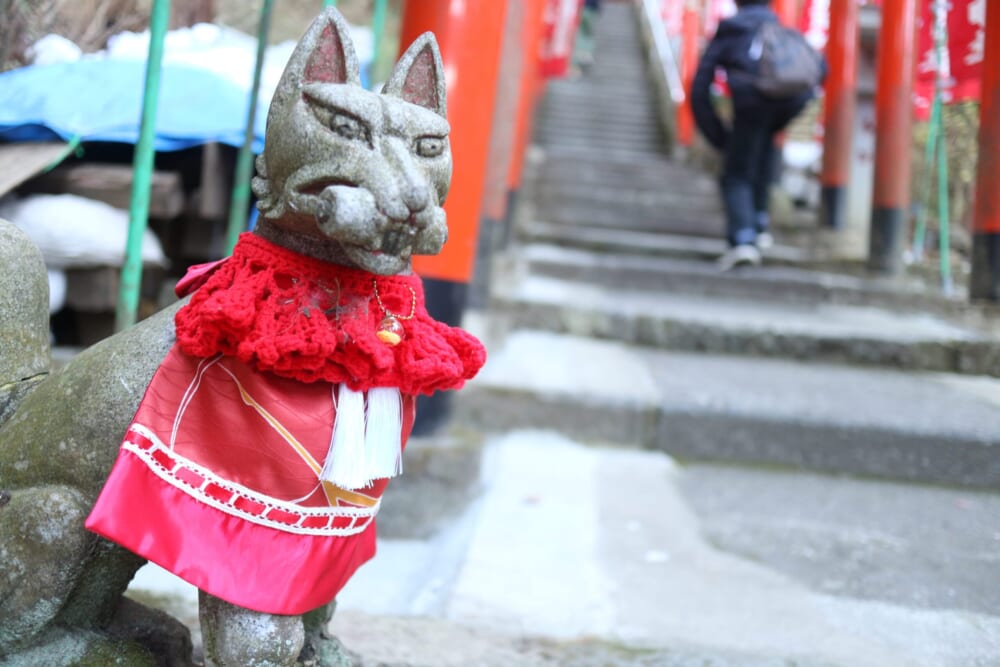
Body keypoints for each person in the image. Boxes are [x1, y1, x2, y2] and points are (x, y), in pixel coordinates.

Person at [691, 0, 823, 270]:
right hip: (789, 102)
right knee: (763, 150)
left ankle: (743, 239)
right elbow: (821, 68)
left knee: (736, 173)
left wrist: (717, 136)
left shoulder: (732, 31)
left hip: (750, 103)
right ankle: (759, 224)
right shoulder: (781, 30)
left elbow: (699, 87)